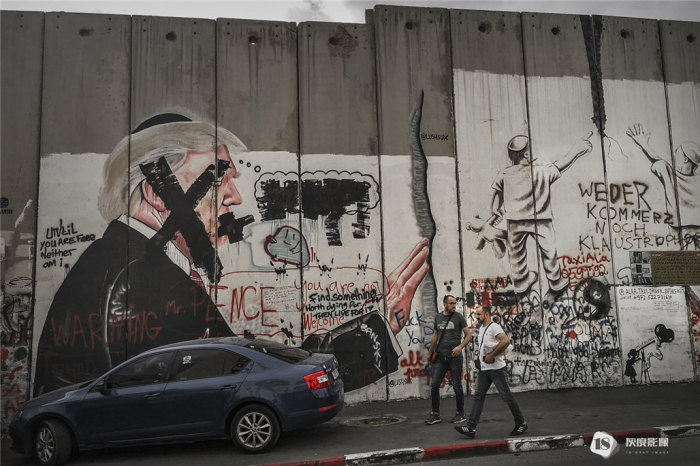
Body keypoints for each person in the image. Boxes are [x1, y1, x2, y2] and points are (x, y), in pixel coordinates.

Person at [34, 114, 245, 395]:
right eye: (216, 180)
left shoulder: (118, 261)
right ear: (156, 194)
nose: (235, 197)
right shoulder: (139, 277)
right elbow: (171, 394)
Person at [489, 133, 593, 301]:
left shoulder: (505, 173)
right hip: (541, 219)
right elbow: (563, 163)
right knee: (548, 251)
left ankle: (521, 282)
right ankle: (556, 281)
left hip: (515, 221)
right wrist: (578, 150)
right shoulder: (541, 170)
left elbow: (497, 193)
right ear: (527, 154)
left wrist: (495, 210)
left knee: (516, 254)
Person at [455, 306, 527, 438]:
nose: (476, 317)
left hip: (496, 369)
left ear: (487, 314)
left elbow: (506, 341)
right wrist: (479, 359)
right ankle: (471, 428)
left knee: (506, 396)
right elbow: (484, 347)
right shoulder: (482, 328)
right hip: (484, 369)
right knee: (478, 396)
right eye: (476, 314)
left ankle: (521, 423)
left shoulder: (494, 327)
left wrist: (492, 355)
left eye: (479, 314)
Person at [626, 124, 700, 249]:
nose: (674, 156)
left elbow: (658, 161)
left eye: (677, 153)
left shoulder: (671, 175)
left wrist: (644, 145)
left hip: (677, 232)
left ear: (685, 159)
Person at [425, 295, 471, 425]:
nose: (454, 305)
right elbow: (435, 335)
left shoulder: (458, 317)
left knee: (457, 385)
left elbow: (468, 335)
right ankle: (435, 414)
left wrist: (460, 347)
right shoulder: (438, 317)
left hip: (454, 358)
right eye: (451, 303)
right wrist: (430, 353)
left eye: (455, 303)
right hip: (440, 357)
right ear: (445, 304)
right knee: (435, 385)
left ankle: (460, 413)